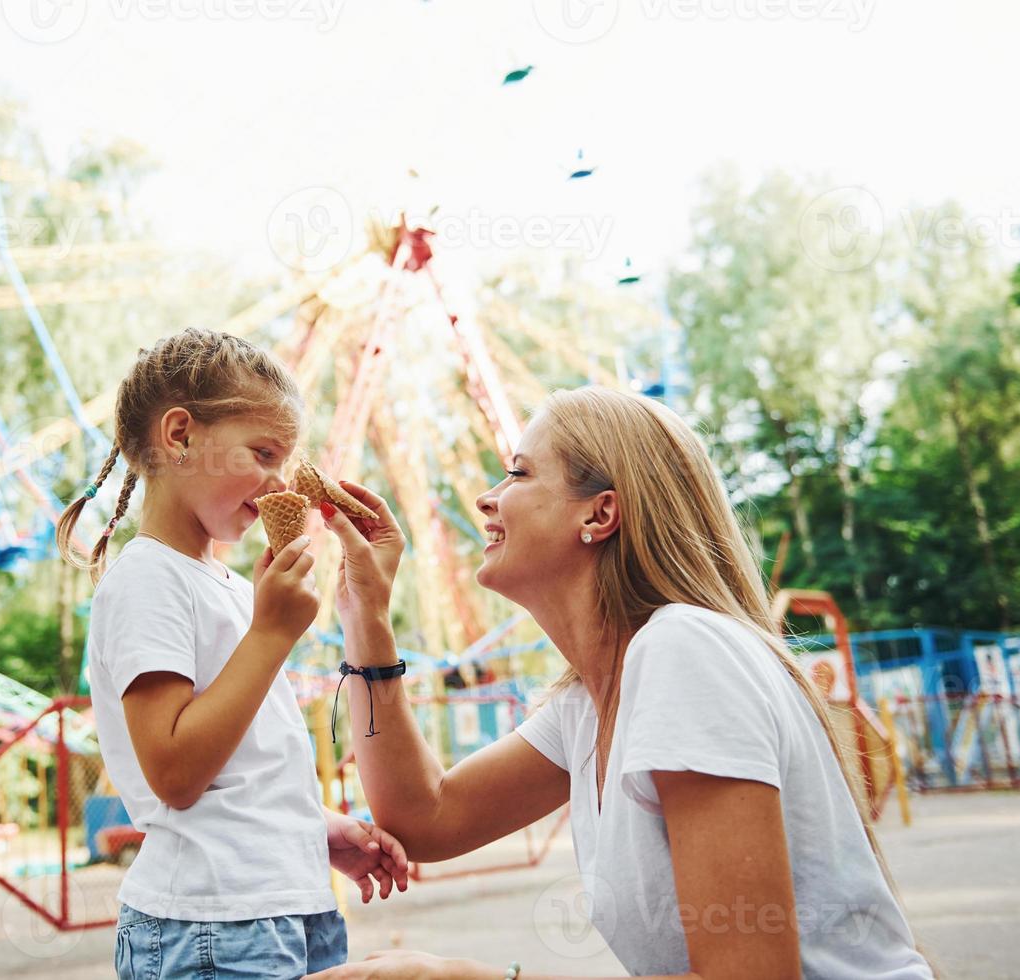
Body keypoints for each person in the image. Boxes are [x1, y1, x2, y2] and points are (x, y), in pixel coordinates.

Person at [308, 385, 935, 980]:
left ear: (601, 512)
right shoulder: (589, 702)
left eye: (519, 473)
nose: (487, 498)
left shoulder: (683, 650)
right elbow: (423, 817)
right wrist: (365, 615)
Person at [59, 328, 408, 979]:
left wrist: (314, 828)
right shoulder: (147, 580)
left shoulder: (225, 587)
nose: (284, 484)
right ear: (180, 435)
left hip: (276, 911)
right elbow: (175, 772)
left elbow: (236, 767)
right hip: (213, 927)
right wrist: (271, 636)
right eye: (264, 452)